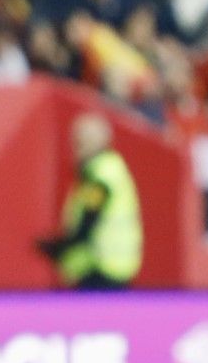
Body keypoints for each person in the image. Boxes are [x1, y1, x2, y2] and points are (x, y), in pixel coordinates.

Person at [36, 112, 143, 289]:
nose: (75, 147)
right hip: (113, 265)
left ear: (98, 141)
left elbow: (88, 222)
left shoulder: (100, 176)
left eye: (80, 141)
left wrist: (60, 248)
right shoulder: (109, 168)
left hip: (102, 267)